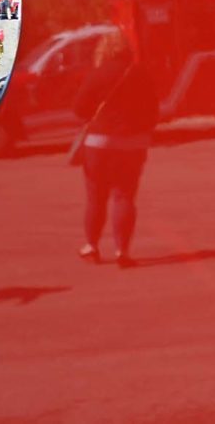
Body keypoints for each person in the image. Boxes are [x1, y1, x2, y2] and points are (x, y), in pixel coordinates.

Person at [73, 30, 158, 268]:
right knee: (124, 196)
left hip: (99, 144)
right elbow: (154, 108)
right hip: (133, 143)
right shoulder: (140, 73)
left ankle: (92, 246)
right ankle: (122, 251)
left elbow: (79, 109)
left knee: (96, 197)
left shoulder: (97, 74)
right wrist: (142, 129)